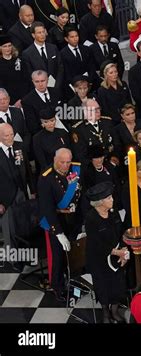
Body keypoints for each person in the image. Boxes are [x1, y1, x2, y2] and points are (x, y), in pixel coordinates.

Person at [38, 148, 83, 301]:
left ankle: (73, 280)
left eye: (68, 162)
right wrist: (58, 233)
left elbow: (79, 195)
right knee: (58, 257)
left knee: (73, 254)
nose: (65, 165)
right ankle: (58, 287)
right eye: (62, 162)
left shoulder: (75, 169)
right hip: (57, 222)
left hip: (73, 219)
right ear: (55, 160)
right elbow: (47, 209)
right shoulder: (46, 178)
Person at [85, 181, 128, 323]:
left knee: (118, 284)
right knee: (102, 286)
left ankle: (115, 311)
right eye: (109, 198)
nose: (112, 200)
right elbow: (96, 243)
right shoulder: (91, 218)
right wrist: (117, 252)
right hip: (99, 259)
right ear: (99, 202)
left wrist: (123, 249)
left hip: (116, 255)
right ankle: (105, 313)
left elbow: (122, 232)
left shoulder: (114, 212)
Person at [0, 123, 34, 255]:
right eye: (6, 136)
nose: (10, 138)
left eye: (12, 135)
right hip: (5, 199)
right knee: (10, 230)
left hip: (22, 192)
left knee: (24, 225)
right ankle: (12, 257)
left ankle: (25, 255)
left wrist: (33, 189)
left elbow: (28, 171)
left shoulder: (19, 147)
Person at [71, 98, 117, 164]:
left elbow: (116, 142)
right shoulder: (78, 129)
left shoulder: (107, 122)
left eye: (98, 108)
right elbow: (80, 154)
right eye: (94, 110)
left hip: (111, 160)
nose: (98, 112)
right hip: (92, 165)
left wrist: (115, 156)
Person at [22, 22, 64, 92]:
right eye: (39, 33)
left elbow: (60, 67)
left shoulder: (53, 48)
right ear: (33, 35)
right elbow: (29, 75)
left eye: (43, 32)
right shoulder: (27, 54)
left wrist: (57, 85)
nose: (42, 34)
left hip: (56, 88)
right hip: (39, 90)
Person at [60, 26, 99, 100]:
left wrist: (89, 81)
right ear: (66, 39)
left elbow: (91, 67)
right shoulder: (62, 54)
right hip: (74, 87)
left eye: (76, 36)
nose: (75, 39)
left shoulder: (86, 49)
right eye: (72, 37)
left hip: (90, 84)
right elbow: (66, 73)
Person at [21, 70, 63, 135]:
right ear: (33, 82)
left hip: (62, 129)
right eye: (37, 82)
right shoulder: (27, 101)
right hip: (43, 135)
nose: (40, 84)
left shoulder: (56, 92)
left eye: (43, 81)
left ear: (47, 80)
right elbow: (32, 125)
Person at [83, 145, 121, 210]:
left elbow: (117, 184)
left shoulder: (109, 167)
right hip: (98, 206)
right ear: (91, 159)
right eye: (96, 158)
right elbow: (88, 192)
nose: (100, 160)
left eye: (101, 157)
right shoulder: (88, 172)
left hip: (113, 202)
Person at [0, 35, 29, 104]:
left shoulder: (20, 60)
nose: (8, 48)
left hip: (22, 98)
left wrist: (22, 99)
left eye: (9, 45)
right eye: (4, 46)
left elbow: (26, 80)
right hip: (6, 100)